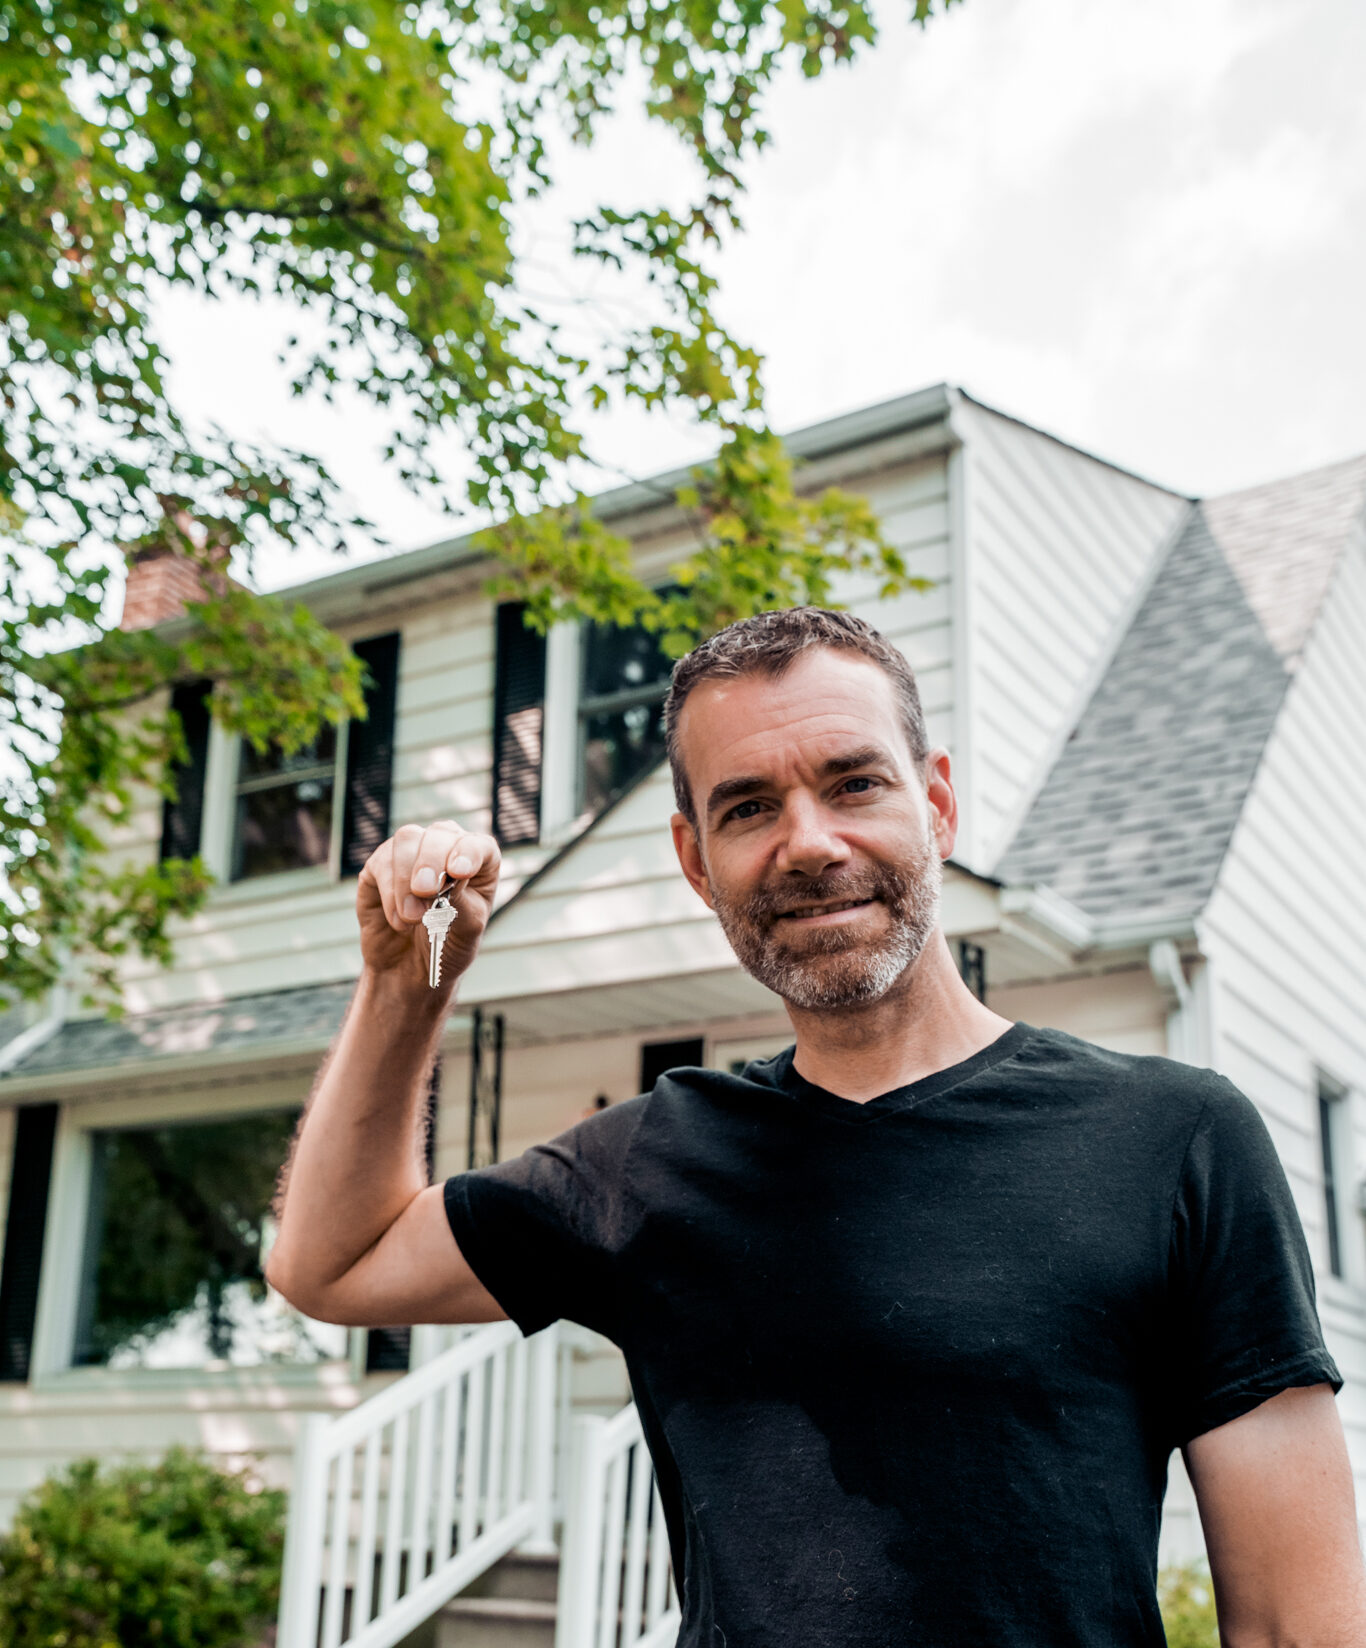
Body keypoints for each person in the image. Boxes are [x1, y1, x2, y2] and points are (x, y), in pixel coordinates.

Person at [267, 607, 1366, 1646]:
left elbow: (1297, 1624)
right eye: (747, 806)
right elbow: (334, 1263)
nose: (808, 842)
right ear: (696, 860)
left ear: (934, 805)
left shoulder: (1174, 1139)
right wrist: (405, 982)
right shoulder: (649, 1164)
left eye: (854, 783)